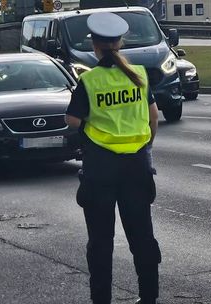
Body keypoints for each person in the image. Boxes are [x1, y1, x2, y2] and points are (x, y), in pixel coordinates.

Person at [64, 12, 161, 304]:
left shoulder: (89, 81)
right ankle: (149, 298)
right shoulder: (139, 75)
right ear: (120, 42)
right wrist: (144, 146)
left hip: (100, 171)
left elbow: (72, 120)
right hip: (137, 168)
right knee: (142, 239)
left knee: (101, 243)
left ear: (94, 45)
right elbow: (153, 118)